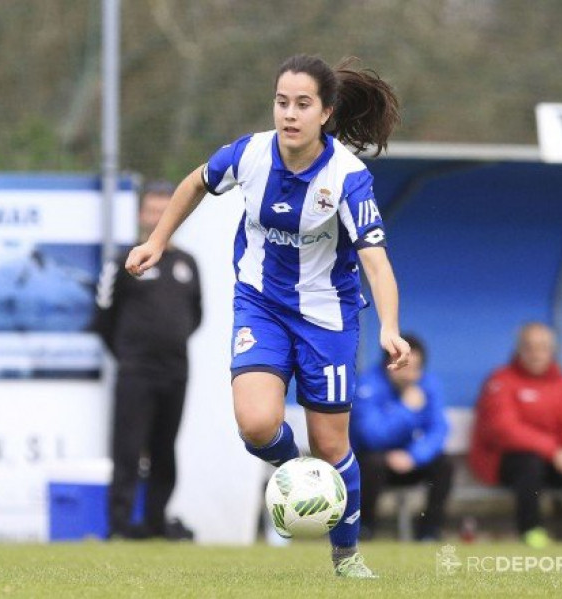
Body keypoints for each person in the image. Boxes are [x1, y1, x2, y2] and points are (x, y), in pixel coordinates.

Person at [125, 54, 410, 578]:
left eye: (303, 104)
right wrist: (157, 241)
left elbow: (377, 262)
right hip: (260, 303)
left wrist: (389, 326)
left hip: (328, 317)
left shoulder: (348, 178)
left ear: (326, 113)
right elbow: (193, 183)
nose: (290, 114)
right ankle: (300, 475)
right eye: (282, 102)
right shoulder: (251, 154)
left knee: (332, 445)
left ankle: (346, 556)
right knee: (257, 423)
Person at [92, 180, 202, 540]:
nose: (157, 217)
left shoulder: (188, 264)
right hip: (135, 372)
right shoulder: (124, 261)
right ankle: (120, 526)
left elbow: (195, 316)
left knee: (164, 450)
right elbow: (103, 317)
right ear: (141, 215)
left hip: (176, 373)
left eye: (164, 210)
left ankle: (156, 522)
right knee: (127, 449)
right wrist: (129, 355)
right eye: (151, 211)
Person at [469, 322, 562, 548]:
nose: (536, 354)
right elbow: (504, 429)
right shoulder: (501, 380)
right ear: (519, 350)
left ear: (552, 351)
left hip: (553, 461)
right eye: (530, 347)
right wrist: (554, 451)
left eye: (543, 347)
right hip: (504, 462)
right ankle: (531, 529)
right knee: (529, 463)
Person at [351, 335, 452, 541]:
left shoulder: (428, 385)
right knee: (372, 463)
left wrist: (414, 456)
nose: (410, 374)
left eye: (415, 368)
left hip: (409, 460)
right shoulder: (367, 384)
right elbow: (371, 436)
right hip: (374, 460)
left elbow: (438, 429)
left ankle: (429, 532)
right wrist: (406, 410)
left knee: (444, 464)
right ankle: (364, 528)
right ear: (389, 363)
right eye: (404, 366)